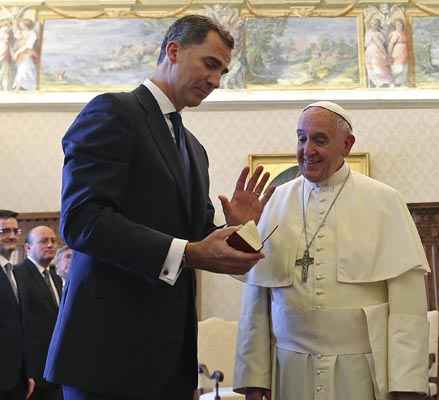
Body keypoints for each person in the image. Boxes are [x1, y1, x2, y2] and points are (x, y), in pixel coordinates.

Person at [44, 15, 273, 400]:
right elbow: (83, 221)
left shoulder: (194, 148)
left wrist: (240, 230)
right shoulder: (113, 112)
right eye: (210, 64)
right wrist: (190, 250)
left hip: (170, 361)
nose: (216, 81)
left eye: (223, 72)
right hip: (107, 355)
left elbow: (200, 242)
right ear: (173, 50)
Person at [234, 101, 430, 400]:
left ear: (347, 144)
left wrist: (407, 385)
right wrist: (253, 378)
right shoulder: (276, 200)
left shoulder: (385, 201)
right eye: (302, 138)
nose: (307, 149)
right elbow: (256, 299)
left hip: (361, 373)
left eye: (320, 139)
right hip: (290, 371)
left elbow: (408, 309)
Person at [14, 226, 62, 400]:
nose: (50, 245)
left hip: (57, 372)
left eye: (53, 241)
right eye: (43, 241)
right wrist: (26, 372)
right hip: (34, 374)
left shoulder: (56, 277)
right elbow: (20, 327)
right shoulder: (17, 275)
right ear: (27, 248)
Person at [0, 210, 35, 400]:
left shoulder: (16, 273)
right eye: (4, 231)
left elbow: (22, 326)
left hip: (17, 379)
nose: (12, 236)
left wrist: (27, 373)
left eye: (15, 231)